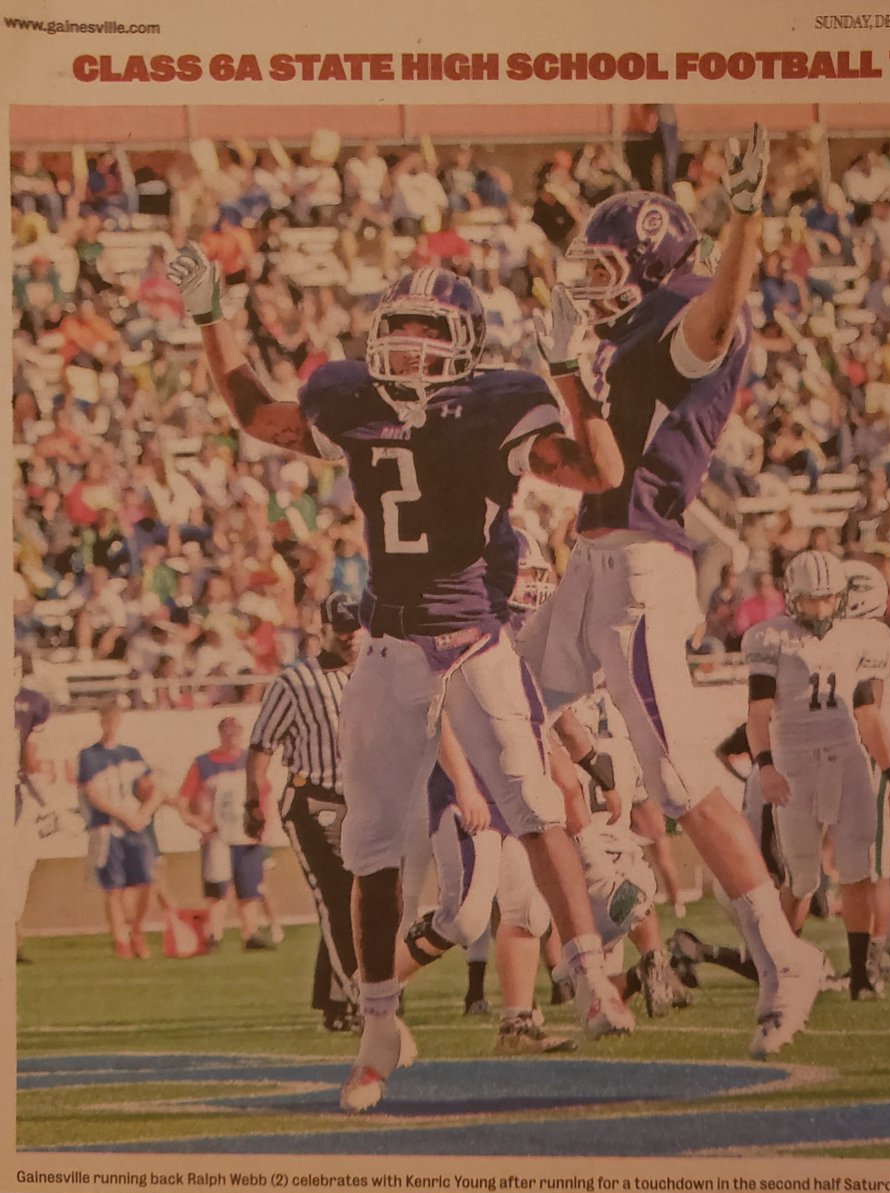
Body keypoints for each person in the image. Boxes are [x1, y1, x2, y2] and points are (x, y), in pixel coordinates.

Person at [168, 246, 632, 1115]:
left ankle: (595, 978)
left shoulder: (499, 401)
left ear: (465, 343)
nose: (412, 349)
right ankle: (379, 1026)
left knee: (535, 806)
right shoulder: (349, 394)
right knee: (372, 846)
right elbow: (254, 414)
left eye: (430, 333)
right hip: (386, 646)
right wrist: (209, 318)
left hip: (475, 641)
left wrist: (575, 374)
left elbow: (598, 470)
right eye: (401, 332)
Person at [516, 126, 827, 1058]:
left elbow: (720, 315)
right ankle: (612, 861)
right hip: (593, 558)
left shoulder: (686, 313)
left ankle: (782, 953)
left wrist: (743, 217)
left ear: (654, 270)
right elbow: (589, 460)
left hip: (643, 568)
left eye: (612, 268)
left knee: (682, 778)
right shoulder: (616, 338)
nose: (594, 283)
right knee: (510, 706)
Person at [743, 550, 890, 1001]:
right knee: (802, 879)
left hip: (848, 756)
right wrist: (767, 766)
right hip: (794, 761)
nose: (819, 609)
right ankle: (777, 964)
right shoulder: (769, 637)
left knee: (857, 871)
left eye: (828, 599)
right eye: (811, 600)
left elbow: (868, 715)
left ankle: (860, 975)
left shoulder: (861, 638)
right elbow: (758, 713)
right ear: (792, 598)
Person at [245, 591, 361, 1030]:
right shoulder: (295, 683)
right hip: (312, 797)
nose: (351, 636)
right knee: (336, 895)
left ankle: (337, 1001)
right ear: (323, 630)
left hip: (363, 802)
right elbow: (261, 746)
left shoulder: (372, 675)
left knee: (361, 899)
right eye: (342, 628)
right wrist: (252, 802)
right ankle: (360, 991)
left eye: (356, 626)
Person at [177, 716, 275, 952]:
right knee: (217, 887)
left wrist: (267, 824)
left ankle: (250, 932)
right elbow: (183, 800)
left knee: (249, 888)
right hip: (218, 835)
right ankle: (214, 933)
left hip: (246, 833)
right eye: (228, 732)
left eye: (236, 732)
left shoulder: (249, 762)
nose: (232, 737)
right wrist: (197, 822)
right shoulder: (203, 764)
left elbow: (266, 794)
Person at [76, 700, 164, 959]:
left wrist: (143, 813)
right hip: (108, 827)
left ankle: (136, 929)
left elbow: (153, 787)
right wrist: (123, 814)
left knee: (146, 881)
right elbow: (93, 794)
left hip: (135, 826)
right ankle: (121, 938)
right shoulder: (90, 755)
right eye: (108, 719)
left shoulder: (131, 754)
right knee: (114, 887)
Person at [14, 660, 51, 963]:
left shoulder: (31, 703)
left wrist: (46, 802)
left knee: (19, 867)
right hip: (15, 794)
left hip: (15, 794)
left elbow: (31, 760)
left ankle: (13, 937)